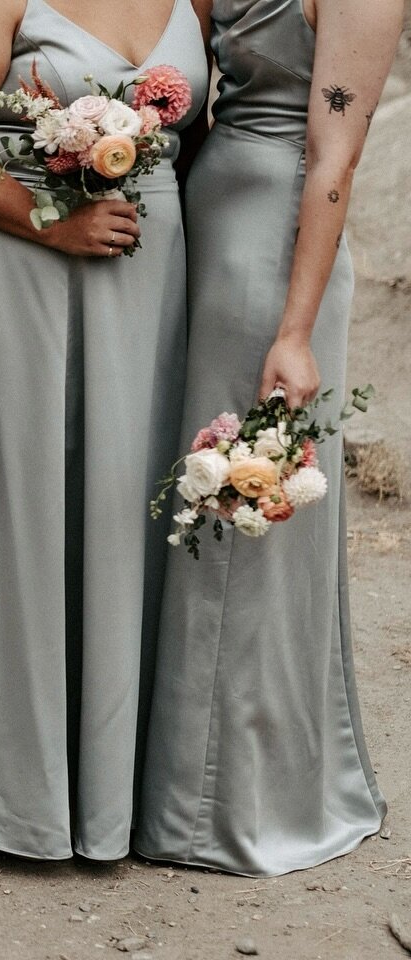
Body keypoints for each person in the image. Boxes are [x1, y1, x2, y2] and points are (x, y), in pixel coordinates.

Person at [0, 0, 208, 860]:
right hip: (22, 267)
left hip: (147, 277)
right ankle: (5, 791)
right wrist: (52, 218)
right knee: (22, 511)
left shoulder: (190, 4)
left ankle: (118, 786)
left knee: (123, 508)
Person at [136, 0, 397, 877]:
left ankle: (232, 801)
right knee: (193, 498)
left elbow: (338, 154)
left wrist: (296, 327)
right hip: (209, 227)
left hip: (283, 248)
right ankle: (171, 786)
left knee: (243, 508)